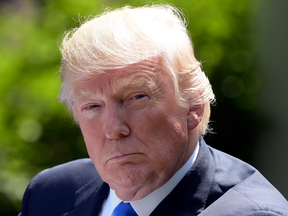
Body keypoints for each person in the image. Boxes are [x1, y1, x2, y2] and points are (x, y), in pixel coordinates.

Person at [19, 4, 288, 216]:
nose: (114, 129)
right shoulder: (49, 194)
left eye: (137, 97)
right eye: (92, 106)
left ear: (194, 104)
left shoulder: (251, 212)